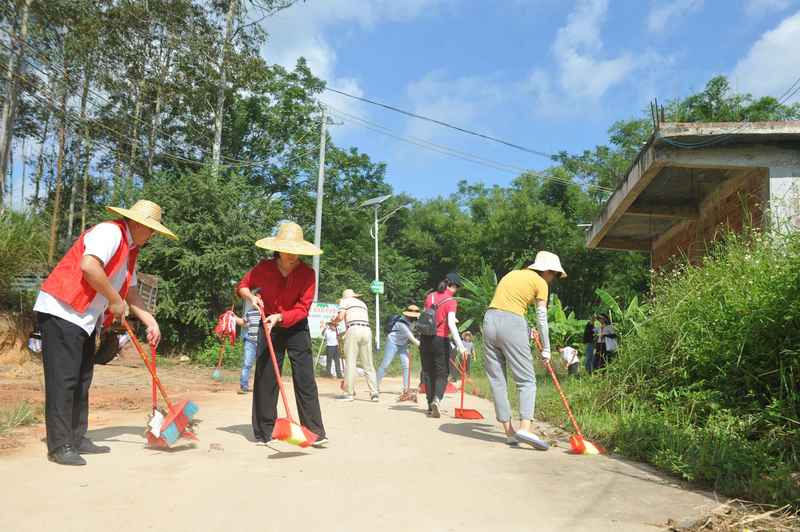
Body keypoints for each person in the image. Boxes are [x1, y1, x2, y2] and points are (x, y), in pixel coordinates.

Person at [33, 200, 176, 466]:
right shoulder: (110, 232)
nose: (152, 236)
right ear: (137, 224)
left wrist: (150, 321)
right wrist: (113, 299)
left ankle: (76, 437)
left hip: (85, 318)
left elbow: (130, 291)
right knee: (64, 380)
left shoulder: (130, 250)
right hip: (63, 310)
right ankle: (60, 445)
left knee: (82, 379)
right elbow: (89, 266)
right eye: (151, 230)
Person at [237, 221, 327, 447]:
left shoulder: (308, 274)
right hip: (268, 325)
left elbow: (303, 308)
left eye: (296, 250)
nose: (292, 255)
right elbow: (243, 285)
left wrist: (281, 317)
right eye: (288, 250)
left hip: (296, 327)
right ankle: (264, 431)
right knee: (266, 377)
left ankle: (314, 431)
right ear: (278, 248)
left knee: (305, 378)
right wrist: (252, 297)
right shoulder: (263, 268)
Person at [482, 251, 566, 450]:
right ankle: (525, 429)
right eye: (554, 274)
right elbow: (541, 318)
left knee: (497, 380)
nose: (553, 278)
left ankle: (510, 433)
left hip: (489, 320)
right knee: (527, 380)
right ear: (547, 271)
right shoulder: (541, 283)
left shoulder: (512, 274)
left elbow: (505, 306)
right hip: (512, 322)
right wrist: (547, 349)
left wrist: (526, 330)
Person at [420, 272, 467, 418]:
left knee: (428, 372)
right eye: (457, 287)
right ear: (452, 286)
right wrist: (461, 346)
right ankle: (437, 400)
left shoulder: (430, 296)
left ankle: (429, 405)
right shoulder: (451, 301)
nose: (456, 290)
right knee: (442, 373)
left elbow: (427, 316)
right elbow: (451, 325)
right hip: (440, 339)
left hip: (425, 338)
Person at [335, 289, 379, 402]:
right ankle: (374, 393)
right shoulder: (362, 304)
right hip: (367, 330)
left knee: (350, 362)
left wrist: (334, 321)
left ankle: (349, 394)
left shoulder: (344, 301)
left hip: (353, 329)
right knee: (368, 363)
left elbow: (341, 317)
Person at [376, 304, 421, 393]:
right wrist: (423, 346)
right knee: (385, 364)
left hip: (403, 344)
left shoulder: (413, 321)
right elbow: (411, 337)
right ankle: (375, 386)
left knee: (406, 365)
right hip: (392, 342)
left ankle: (406, 388)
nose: (414, 317)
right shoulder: (401, 323)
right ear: (407, 315)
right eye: (412, 316)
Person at [237, 288, 262, 394]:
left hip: (262, 342)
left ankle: (261, 388)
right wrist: (233, 317)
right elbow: (244, 323)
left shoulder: (265, 313)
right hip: (250, 342)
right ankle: (244, 386)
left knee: (262, 366)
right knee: (247, 364)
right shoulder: (250, 312)